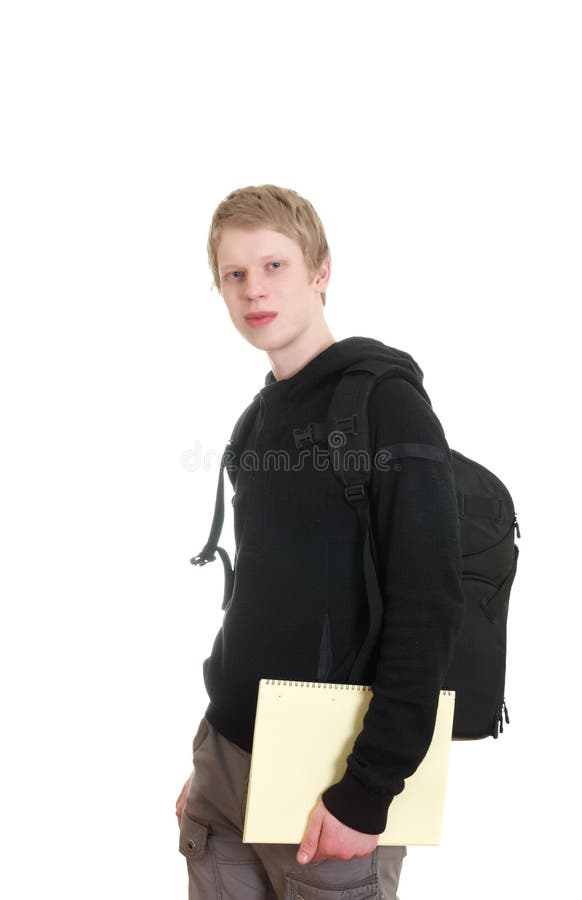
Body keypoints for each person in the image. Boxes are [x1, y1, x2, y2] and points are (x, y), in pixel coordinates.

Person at [176, 184, 464, 899]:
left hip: (328, 784)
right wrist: (213, 765)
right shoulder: (256, 423)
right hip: (227, 770)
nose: (254, 290)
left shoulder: (385, 405)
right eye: (234, 274)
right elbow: (259, 600)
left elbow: (428, 609)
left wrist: (368, 791)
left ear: (321, 271)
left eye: (274, 266)